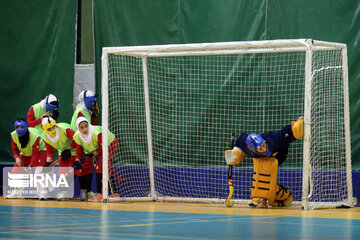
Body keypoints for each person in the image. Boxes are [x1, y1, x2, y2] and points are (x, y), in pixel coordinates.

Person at [224, 117, 304, 208]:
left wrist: (297, 126)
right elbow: (240, 140)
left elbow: (286, 131)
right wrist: (235, 154)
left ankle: (261, 198)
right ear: (252, 150)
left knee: (265, 165)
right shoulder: (247, 146)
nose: (263, 148)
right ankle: (269, 198)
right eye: (260, 148)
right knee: (260, 169)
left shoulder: (274, 140)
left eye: (263, 145)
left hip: (278, 155)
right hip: (260, 158)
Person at [73, 117, 120, 202]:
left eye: (86, 126)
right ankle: (113, 193)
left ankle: (102, 194)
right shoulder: (77, 136)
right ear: (78, 128)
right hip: (100, 147)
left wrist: (94, 153)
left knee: (101, 167)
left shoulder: (96, 133)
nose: (85, 129)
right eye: (82, 127)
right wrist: (77, 160)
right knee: (102, 167)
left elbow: (104, 147)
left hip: (110, 144)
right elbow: (79, 149)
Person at [7, 119, 47, 199]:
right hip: (25, 152)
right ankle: (17, 191)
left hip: (40, 151)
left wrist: (31, 166)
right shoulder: (13, 135)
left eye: (21, 127)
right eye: (17, 127)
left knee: (38, 172)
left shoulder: (35, 136)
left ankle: (42, 192)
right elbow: (14, 149)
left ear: (26, 127)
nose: (19, 129)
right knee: (15, 170)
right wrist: (17, 158)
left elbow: (35, 155)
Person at [41, 116, 78, 200]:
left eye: (53, 126)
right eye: (49, 129)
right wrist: (48, 163)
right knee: (62, 173)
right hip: (62, 152)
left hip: (76, 150)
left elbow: (78, 139)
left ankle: (82, 192)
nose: (52, 129)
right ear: (44, 129)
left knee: (73, 171)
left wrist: (69, 148)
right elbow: (49, 151)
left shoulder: (65, 129)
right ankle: (63, 191)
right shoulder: (44, 137)